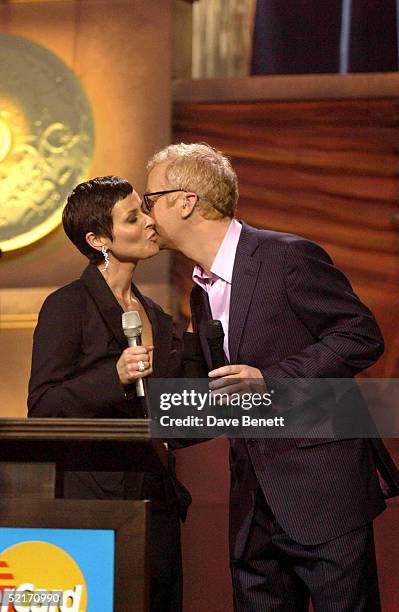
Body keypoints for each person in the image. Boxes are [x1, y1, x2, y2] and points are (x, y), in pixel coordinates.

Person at [144, 143, 399, 612]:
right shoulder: (201, 290)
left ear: (186, 201)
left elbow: (360, 335)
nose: (146, 214)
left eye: (150, 199)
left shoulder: (286, 257)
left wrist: (272, 379)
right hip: (253, 506)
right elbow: (219, 390)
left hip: (322, 491)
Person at [28, 175, 192, 612]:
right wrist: (112, 377)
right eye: (134, 217)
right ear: (98, 238)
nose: (150, 223)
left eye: (145, 210)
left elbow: (169, 410)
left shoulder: (156, 314)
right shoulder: (67, 306)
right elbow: (43, 405)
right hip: (93, 499)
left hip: (155, 496)